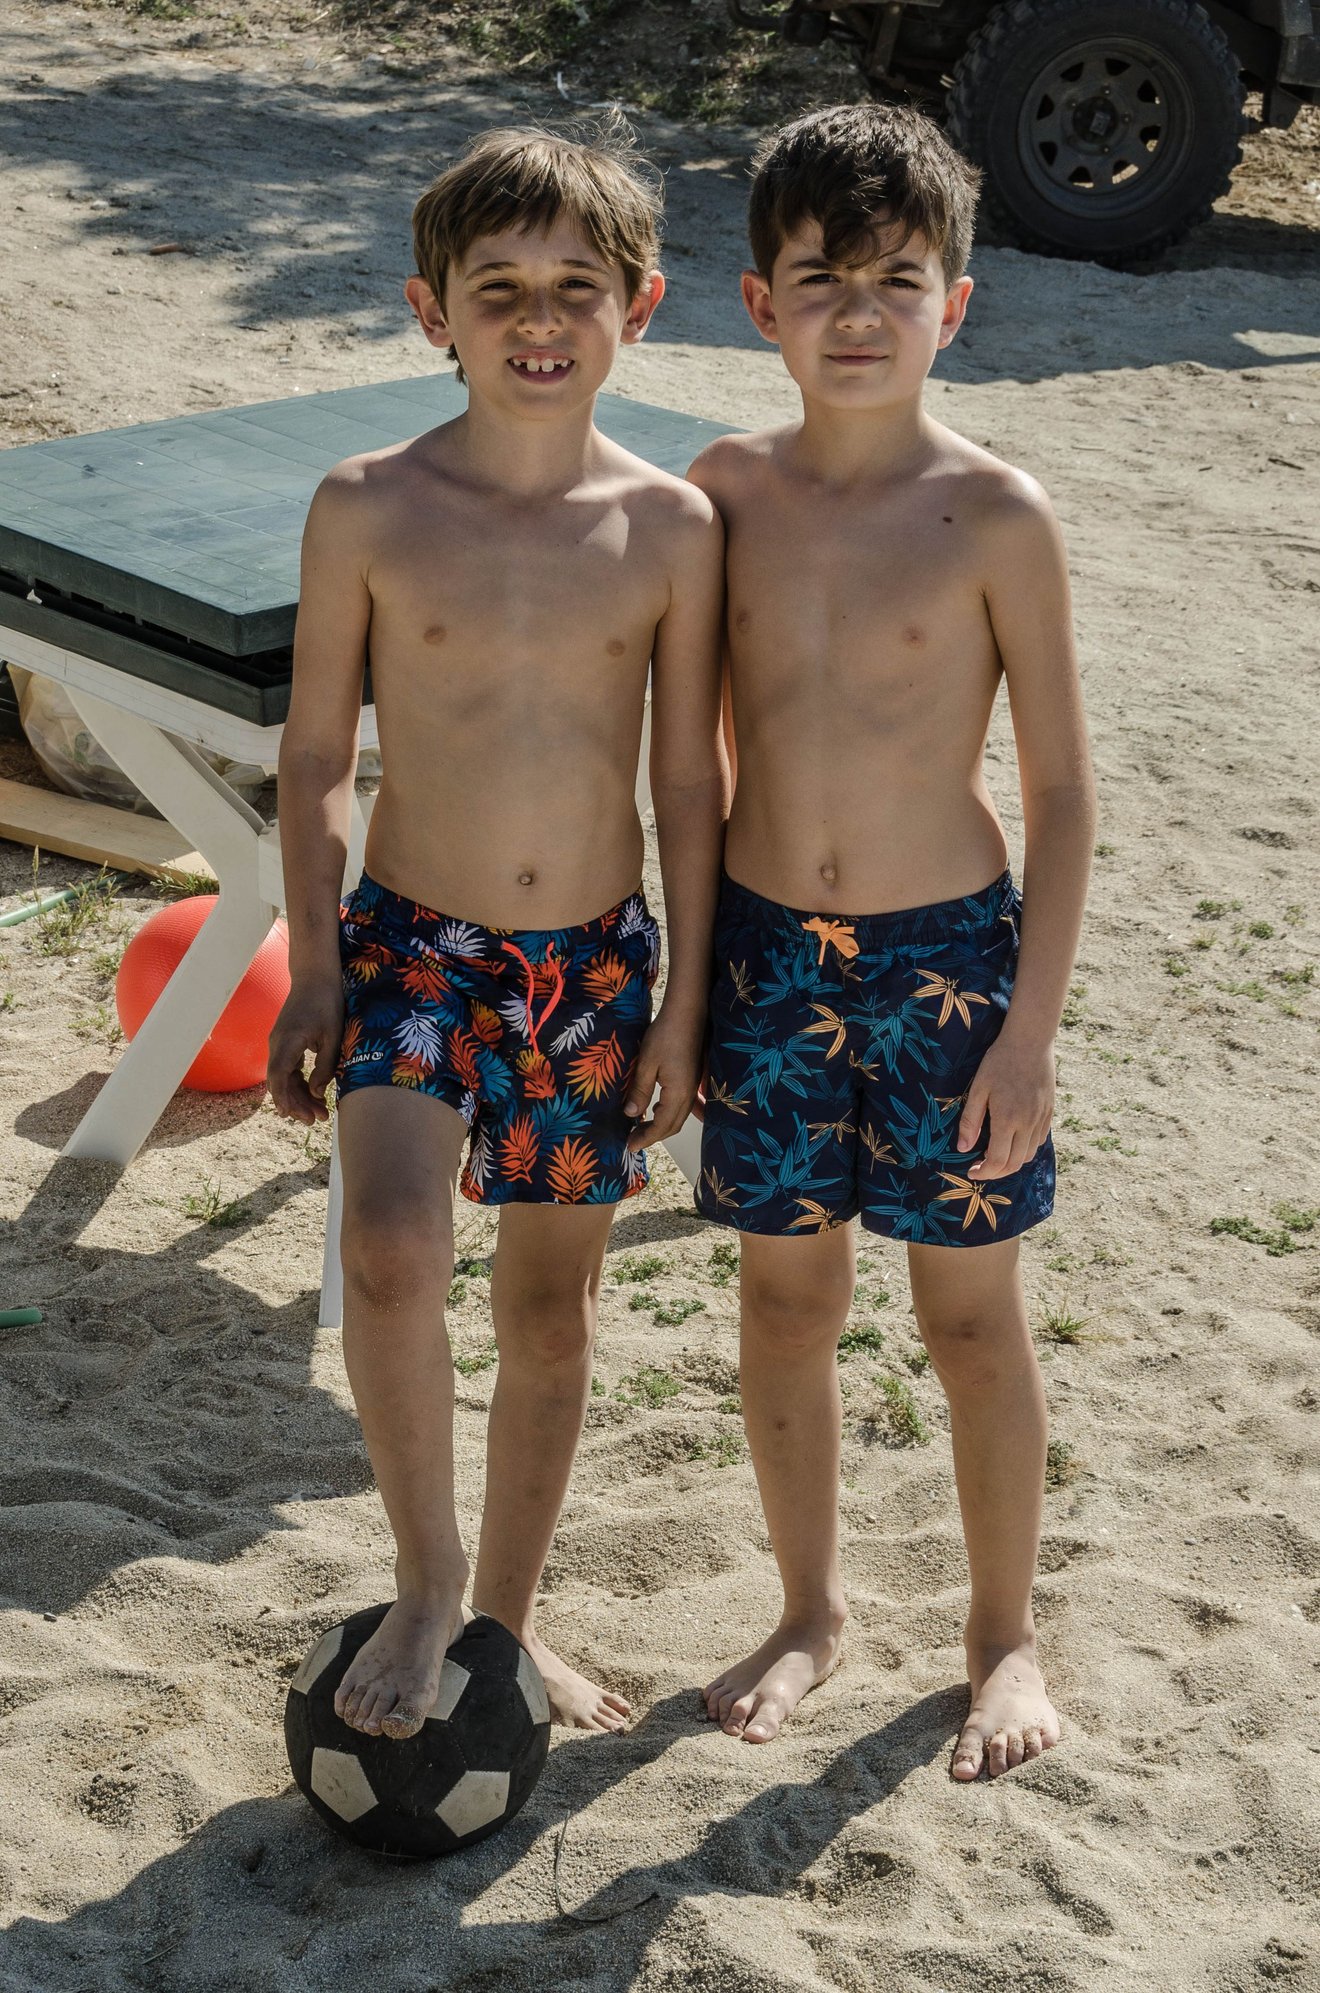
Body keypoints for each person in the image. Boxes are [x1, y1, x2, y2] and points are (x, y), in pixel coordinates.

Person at [268, 124, 725, 1739]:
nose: (540, 319)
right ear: (429, 310)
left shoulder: (673, 526)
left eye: (576, 288)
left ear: (641, 307)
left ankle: (507, 1631)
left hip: (594, 964)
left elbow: (688, 780)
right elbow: (319, 755)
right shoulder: (371, 506)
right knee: (392, 1248)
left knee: (549, 1307)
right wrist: (316, 961)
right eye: (500, 289)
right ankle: (430, 1575)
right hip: (411, 945)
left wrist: (680, 1006)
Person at [689, 103, 1095, 1778]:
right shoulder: (719, 496)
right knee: (787, 1305)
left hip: (955, 966)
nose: (859, 311)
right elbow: (688, 762)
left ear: (959, 303)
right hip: (771, 957)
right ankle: (810, 1605)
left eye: (898, 279)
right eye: (821, 278)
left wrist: (1029, 1031)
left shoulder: (999, 514)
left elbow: (1065, 792)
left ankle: (1004, 1640)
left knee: (971, 1323)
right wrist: (687, 982)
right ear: (755, 300)